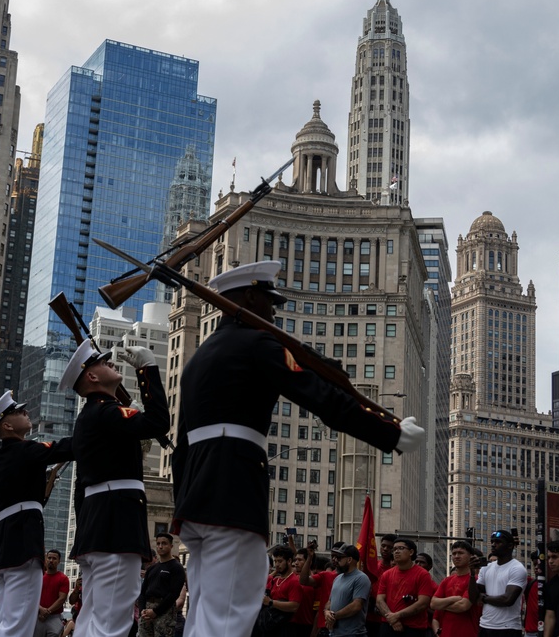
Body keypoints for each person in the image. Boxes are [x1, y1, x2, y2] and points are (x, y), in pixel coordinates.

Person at [171, 262, 425, 637]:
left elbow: (180, 447)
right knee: (229, 612)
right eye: (270, 302)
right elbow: (320, 397)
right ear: (251, 298)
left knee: (206, 610)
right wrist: (390, 433)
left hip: (196, 500)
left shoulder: (197, 360)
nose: (274, 312)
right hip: (233, 493)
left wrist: (184, 501)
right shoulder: (257, 343)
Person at [62, 338, 171, 637]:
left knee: (92, 621)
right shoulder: (106, 412)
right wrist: (147, 369)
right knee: (112, 622)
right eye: (102, 362)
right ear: (92, 377)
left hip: (100, 527)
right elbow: (160, 421)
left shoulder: (91, 417)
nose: (110, 362)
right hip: (116, 526)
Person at [0, 389, 74, 637]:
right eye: (18, 411)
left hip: (7, 546)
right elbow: (64, 448)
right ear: (8, 425)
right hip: (22, 544)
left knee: (6, 620)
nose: (25, 412)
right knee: (18, 621)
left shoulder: (5, 458)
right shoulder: (23, 450)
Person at [470, 529, 527, 637]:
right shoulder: (486, 568)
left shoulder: (517, 568)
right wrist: (472, 574)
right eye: (492, 541)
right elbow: (473, 597)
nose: (493, 544)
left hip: (508, 628)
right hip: (485, 626)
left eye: (498, 542)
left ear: (510, 546)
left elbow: (507, 599)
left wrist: (483, 598)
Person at [375, 538, 436, 637]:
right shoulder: (387, 574)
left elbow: (423, 603)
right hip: (388, 625)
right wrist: (392, 619)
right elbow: (379, 600)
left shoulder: (423, 574)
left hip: (413, 628)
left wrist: (397, 615)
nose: (396, 551)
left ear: (411, 552)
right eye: (394, 549)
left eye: (401, 548)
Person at [137, 533, 186, 637]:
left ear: (171, 546)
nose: (160, 546)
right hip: (146, 610)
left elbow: (173, 594)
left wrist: (156, 611)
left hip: (164, 611)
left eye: (164, 543)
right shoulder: (151, 569)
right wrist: (142, 611)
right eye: (158, 543)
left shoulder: (176, 568)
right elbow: (142, 593)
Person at [431, 541, 480, 637]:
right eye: (454, 553)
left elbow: (463, 606)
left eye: (461, 553)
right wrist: (454, 599)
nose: (456, 556)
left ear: (471, 556)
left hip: (468, 633)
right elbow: (433, 604)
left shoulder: (475, 580)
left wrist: (442, 605)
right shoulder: (446, 580)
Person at [323, 543, 371, 637]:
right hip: (334, 633)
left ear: (349, 559)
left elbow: (356, 606)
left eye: (340, 557)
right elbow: (330, 601)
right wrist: (326, 612)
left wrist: (333, 617)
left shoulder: (361, 578)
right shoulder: (337, 578)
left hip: (353, 633)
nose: (336, 560)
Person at [257, 545, 304, 637]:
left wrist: (271, 602)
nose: (277, 564)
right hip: (271, 626)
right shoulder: (275, 580)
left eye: (280, 561)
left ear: (289, 561)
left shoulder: (294, 581)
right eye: (275, 561)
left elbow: (294, 606)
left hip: (286, 627)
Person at [298, 541, 338, 637]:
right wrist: (309, 557)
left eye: (339, 556)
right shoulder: (326, 576)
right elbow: (303, 581)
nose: (335, 559)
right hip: (324, 627)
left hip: (345, 629)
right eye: (333, 556)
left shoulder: (356, 579)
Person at [367, 535, 397, 637]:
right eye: (383, 546)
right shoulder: (372, 567)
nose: (385, 549)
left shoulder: (397, 571)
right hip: (368, 618)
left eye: (389, 547)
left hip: (388, 620)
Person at [36, 550, 70, 637]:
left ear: (59, 561)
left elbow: (62, 598)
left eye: (54, 558)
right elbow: (32, 596)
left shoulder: (63, 578)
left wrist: (47, 611)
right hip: (37, 616)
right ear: (46, 559)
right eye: (49, 558)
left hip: (54, 617)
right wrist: (40, 609)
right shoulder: (38, 577)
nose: (51, 560)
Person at [289, 548, 317, 637]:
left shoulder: (316, 581)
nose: (296, 563)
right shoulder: (291, 578)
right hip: (290, 624)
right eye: (295, 560)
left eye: (300, 560)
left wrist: (314, 632)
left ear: (309, 561)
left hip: (307, 626)